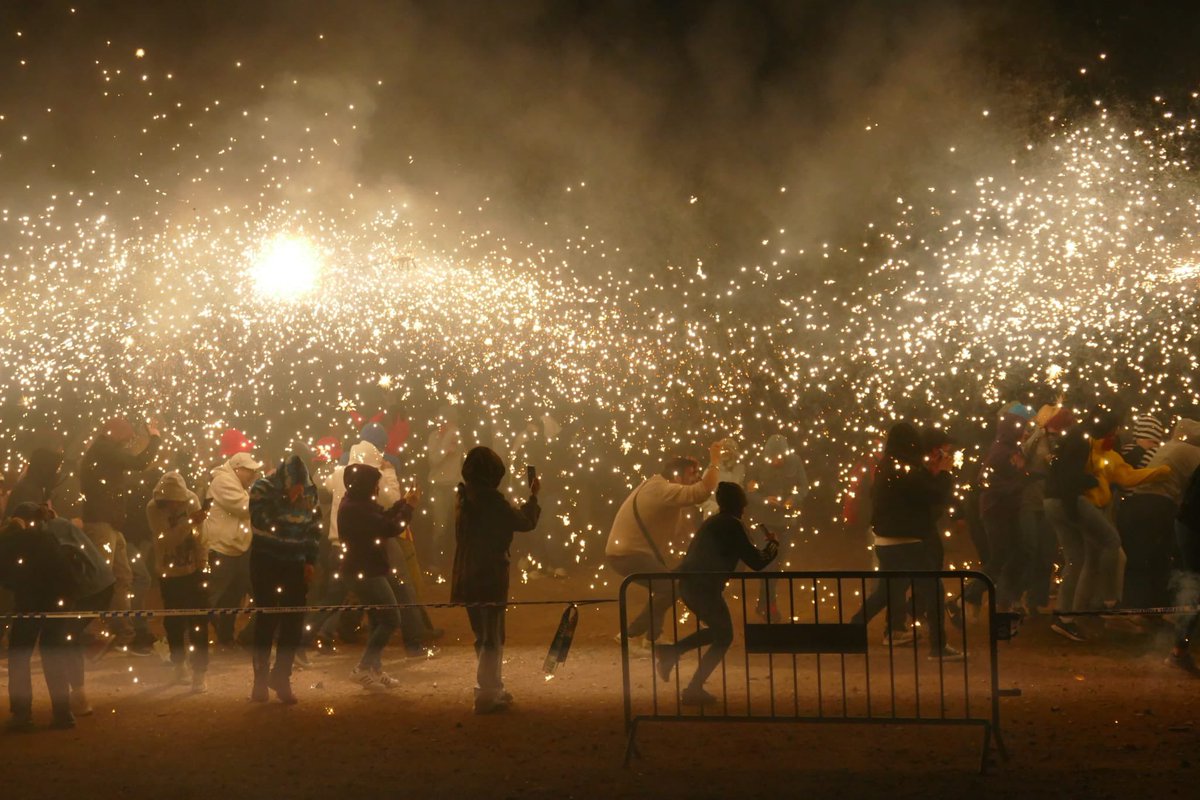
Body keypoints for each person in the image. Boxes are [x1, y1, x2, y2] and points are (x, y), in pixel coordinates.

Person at [655, 483, 778, 706]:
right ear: (740, 504)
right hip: (702, 586)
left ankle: (674, 656)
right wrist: (773, 546)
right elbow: (757, 562)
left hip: (693, 584)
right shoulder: (732, 525)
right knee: (724, 635)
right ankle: (689, 682)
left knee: (720, 633)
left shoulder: (714, 522)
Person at [850, 422, 961, 659]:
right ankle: (938, 647)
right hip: (907, 541)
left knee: (888, 590)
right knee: (933, 590)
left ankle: (852, 628)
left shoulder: (886, 466)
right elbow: (933, 495)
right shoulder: (905, 468)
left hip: (885, 542)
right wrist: (943, 473)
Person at [605, 443, 722, 648]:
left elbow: (679, 532)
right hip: (627, 554)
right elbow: (702, 492)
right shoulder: (662, 490)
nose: (695, 478)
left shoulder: (658, 486)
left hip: (631, 552)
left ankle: (653, 637)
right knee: (670, 587)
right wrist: (715, 461)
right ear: (677, 475)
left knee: (666, 585)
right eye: (692, 473)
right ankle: (631, 635)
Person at [451, 446, 540, 714]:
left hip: (466, 573)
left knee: (483, 634)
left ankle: (491, 687)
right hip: (488, 574)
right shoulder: (491, 500)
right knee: (493, 636)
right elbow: (524, 522)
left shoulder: (464, 496)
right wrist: (533, 497)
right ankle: (488, 692)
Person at [80, 417, 161, 654]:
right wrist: (154, 437)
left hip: (111, 525)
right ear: (114, 432)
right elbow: (140, 462)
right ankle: (80, 631)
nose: (129, 441)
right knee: (104, 580)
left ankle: (125, 633)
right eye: (127, 436)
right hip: (102, 524)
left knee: (123, 577)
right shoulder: (104, 450)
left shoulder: (104, 451)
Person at [338, 462, 420, 689]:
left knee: (377, 620)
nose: (377, 489)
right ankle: (363, 668)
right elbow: (391, 527)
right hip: (365, 572)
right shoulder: (357, 508)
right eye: (375, 485)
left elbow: (383, 517)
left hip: (366, 569)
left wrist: (403, 502)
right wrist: (409, 508)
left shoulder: (357, 503)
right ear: (365, 485)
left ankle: (374, 669)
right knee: (392, 618)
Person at [247, 455, 321, 704]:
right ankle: (259, 679)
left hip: (295, 564)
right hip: (266, 562)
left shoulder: (311, 491)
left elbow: (313, 527)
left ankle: (281, 676)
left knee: (294, 622)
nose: (299, 491)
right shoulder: (262, 489)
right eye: (294, 485)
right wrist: (283, 501)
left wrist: (310, 559)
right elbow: (261, 521)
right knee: (266, 620)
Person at [0, 506, 75, 730]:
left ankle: (22, 716)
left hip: (29, 603)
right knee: (53, 654)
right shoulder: (50, 537)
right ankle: (63, 713)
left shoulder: (15, 540)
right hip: (58, 602)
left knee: (20, 656)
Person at [1120, 416, 1200, 613]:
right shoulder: (1193, 452)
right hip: (1159, 504)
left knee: (1142, 557)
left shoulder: (1168, 447)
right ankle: (1161, 608)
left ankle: (1138, 609)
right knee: (1163, 557)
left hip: (1137, 502)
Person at [146, 472, 209, 693]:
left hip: (194, 569)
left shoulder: (191, 500)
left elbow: (200, 535)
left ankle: (199, 672)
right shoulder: (153, 508)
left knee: (198, 622)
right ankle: (179, 664)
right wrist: (190, 522)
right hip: (169, 572)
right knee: (173, 622)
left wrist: (203, 562)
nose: (174, 504)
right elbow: (166, 540)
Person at [964, 410, 1032, 612]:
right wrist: (1019, 484)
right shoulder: (1000, 451)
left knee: (1019, 553)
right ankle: (971, 594)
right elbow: (984, 481)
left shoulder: (1012, 449)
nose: (1024, 433)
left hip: (1007, 510)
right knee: (999, 557)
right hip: (995, 511)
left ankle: (1005, 598)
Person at [745, 434, 808, 619]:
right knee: (768, 563)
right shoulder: (757, 463)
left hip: (787, 520)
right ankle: (771, 605)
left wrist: (793, 499)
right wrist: (765, 500)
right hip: (764, 521)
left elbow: (804, 487)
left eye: (779, 457)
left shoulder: (795, 462)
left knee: (778, 563)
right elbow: (748, 492)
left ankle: (762, 603)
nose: (775, 461)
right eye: (772, 458)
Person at [202, 451, 261, 646]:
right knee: (214, 596)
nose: (253, 475)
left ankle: (227, 637)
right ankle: (196, 636)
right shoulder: (223, 481)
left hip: (238, 549)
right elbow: (245, 508)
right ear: (237, 469)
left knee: (232, 598)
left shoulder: (237, 485)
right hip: (223, 549)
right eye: (249, 471)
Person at [1166, 464, 1200, 674]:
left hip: (1189, 524)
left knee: (1194, 586)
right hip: (1193, 526)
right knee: (1195, 587)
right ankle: (1179, 651)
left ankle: (1180, 649)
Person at [426, 405, 463, 572]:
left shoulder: (457, 436)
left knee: (458, 527)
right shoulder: (433, 437)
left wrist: (450, 439)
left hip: (455, 486)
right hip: (439, 487)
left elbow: (461, 454)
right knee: (439, 528)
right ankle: (436, 564)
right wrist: (445, 442)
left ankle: (459, 563)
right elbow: (434, 460)